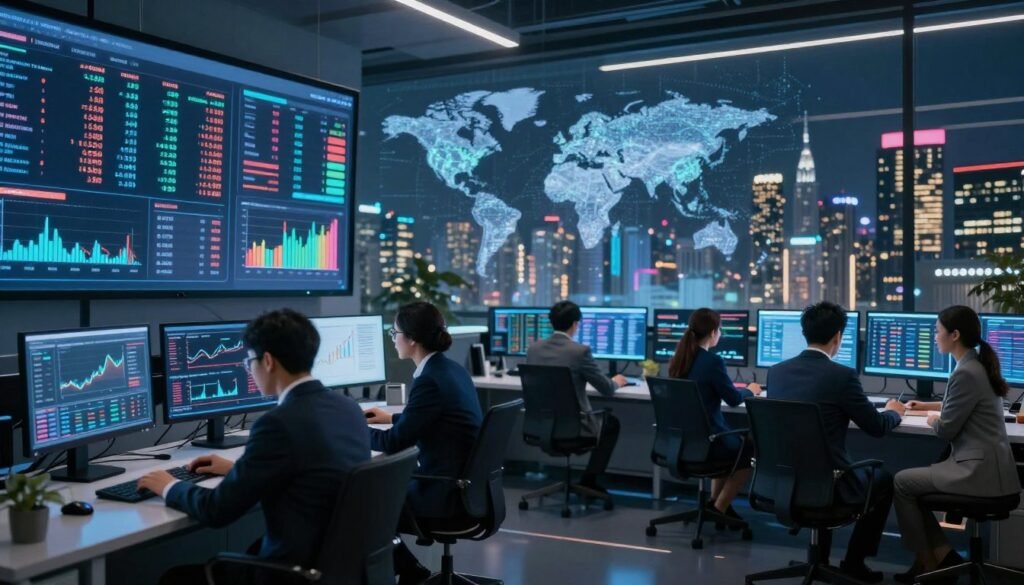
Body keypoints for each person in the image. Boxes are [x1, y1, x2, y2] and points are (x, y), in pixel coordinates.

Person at [139, 309, 371, 585]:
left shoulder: (277, 424)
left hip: (291, 574)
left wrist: (167, 484)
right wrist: (239, 469)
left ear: (269, 361)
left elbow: (217, 510)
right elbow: (311, 471)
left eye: (249, 361)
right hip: (338, 569)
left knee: (175, 579)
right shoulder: (348, 408)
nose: (249, 369)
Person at [766, 301, 905, 584]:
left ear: (805, 333)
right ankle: (854, 562)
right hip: (829, 483)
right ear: (838, 337)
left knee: (820, 463)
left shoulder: (776, 372)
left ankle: (820, 559)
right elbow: (876, 427)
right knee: (884, 479)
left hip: (784, 481)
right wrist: (895, 411)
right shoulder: (841, 376)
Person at [893, 305, 1021, 584]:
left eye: (938, 331)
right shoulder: (976, 365)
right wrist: (930, 405)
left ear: (955, 335)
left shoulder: (965, 373)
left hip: (978, 474)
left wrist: (931, 418)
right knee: (913, 486)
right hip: (993, 470)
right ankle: (944, 557)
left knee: (902, 483)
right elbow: (965, 403)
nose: (935, 336)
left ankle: (929, 565)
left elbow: (946, 430)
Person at [364, 301, 483, 584]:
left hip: (444, 493)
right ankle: (410, 569)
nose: (393, 339)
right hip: (471, 489)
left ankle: (408, 570)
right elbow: (432, 418)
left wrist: (352, 428)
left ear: (412, 339)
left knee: (366, 502)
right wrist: (391, 418)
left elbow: (394, 443)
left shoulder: (429, 380)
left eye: (394, 333)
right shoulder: (451, 370)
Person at [667, 308, 762, 522]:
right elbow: (733, 399)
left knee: (729, 444)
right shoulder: (712, 362)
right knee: (750, 448)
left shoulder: (679, 359)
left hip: (684, 442)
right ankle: (719, 509)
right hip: (709, 442)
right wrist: (751, 390)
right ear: (712, 332)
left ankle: (713, 504)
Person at [525, 300, 627, 492]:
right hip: (574, 430)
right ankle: (590, 480)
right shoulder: (580, 352)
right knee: (611, 422)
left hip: (541, 427)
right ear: (575, 324)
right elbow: (606, 388)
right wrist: (617, 381)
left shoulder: (534, 349)